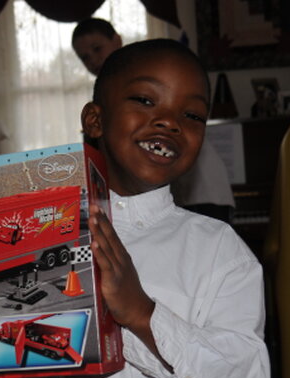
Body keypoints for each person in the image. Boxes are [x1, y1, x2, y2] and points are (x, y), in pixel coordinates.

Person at [15, 39, 270, 378]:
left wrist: (142, 315)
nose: (170, 121)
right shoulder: (39, 233)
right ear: (95, 120)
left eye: (192, 115)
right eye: (146, 100)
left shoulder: (218, 250)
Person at [72, 18, 235, 224]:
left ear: (117, 40)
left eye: (97, 48)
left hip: (203, 196)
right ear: (93, 121)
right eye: (85, 57)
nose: (93, 60)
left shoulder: (156, 65)